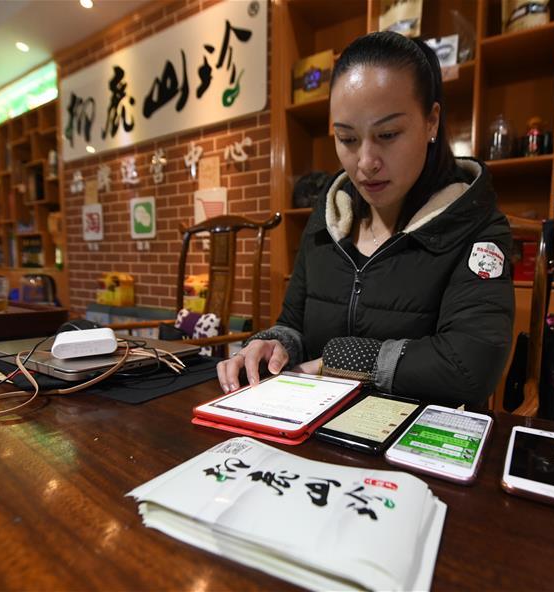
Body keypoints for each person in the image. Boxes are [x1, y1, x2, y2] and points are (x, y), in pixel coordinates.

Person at [217, 31, 514, 408]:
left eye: (387, 134)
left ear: (431, 121)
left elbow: (470, 365)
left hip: (413, 434)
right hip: (313, 420)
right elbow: (292, 321)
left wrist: (336, 363)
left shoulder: (474, 224)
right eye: (347, 138)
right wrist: (273, 345)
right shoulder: (329, 218)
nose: (366, 162)